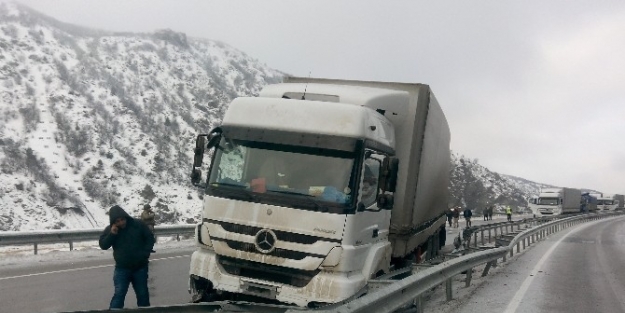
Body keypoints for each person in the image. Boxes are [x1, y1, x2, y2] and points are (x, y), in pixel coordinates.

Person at [100, 205, 155, 310]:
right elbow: (103, 245)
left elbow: (149, 238)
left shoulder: (138, 224)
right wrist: (112, 234)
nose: (121, 223)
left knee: (143, 295)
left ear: (126, 217)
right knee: (119, 295)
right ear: (113, 222)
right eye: (118, 221)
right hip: (122, 268)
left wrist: (145, 253)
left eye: (122, 219)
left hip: (140, 268)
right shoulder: (111, 230)